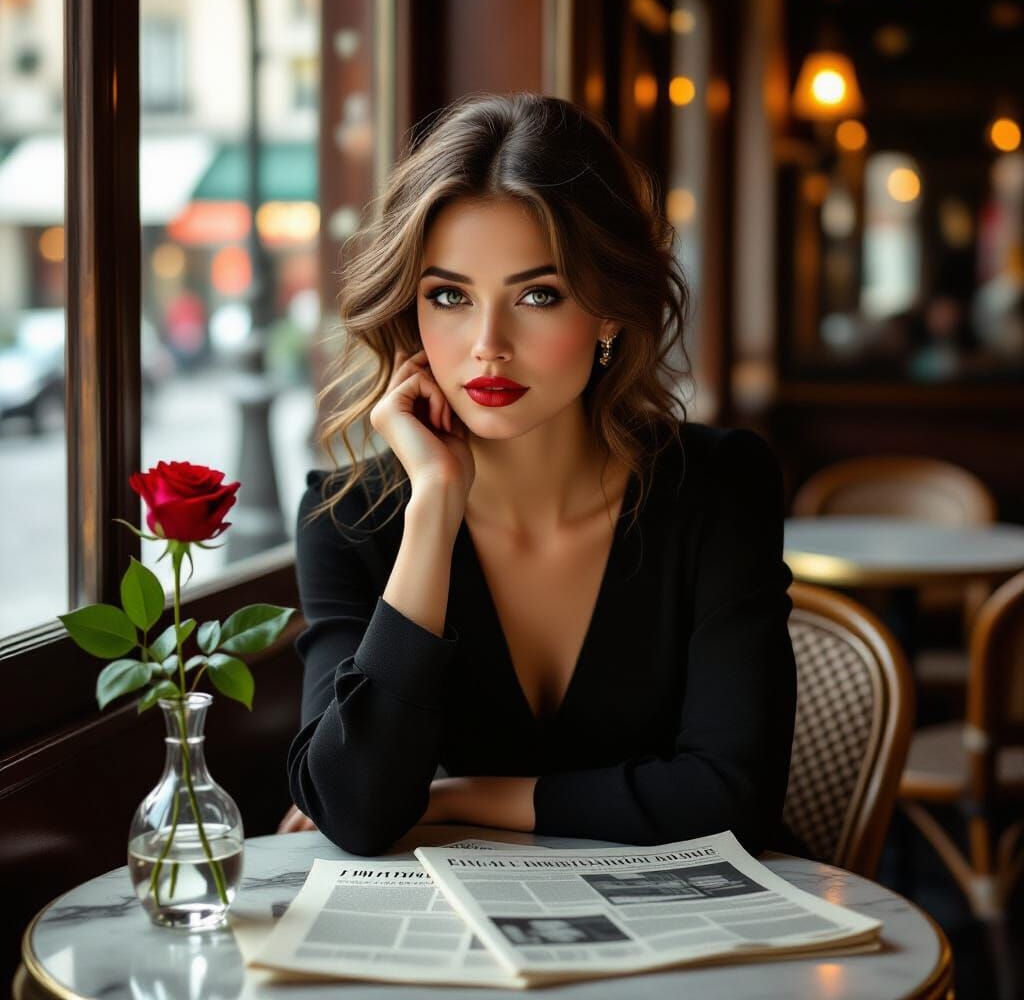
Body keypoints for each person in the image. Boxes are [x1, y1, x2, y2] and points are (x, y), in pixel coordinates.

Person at [278, 92, 797, 859]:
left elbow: (733, 798)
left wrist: (455, 796)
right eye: (449, 296)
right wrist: (433, 508)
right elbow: (355, 809)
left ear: (611, 311)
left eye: (538, 295)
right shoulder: (350, 518)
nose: (488, 345)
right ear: (408, 312)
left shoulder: (719, 487)